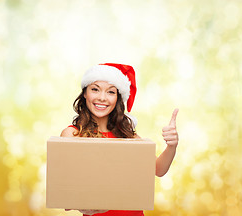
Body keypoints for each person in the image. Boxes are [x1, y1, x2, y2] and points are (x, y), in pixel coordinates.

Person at [60, 63, 179, 216]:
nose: (102, 98)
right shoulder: (72, 135)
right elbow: (65, 188)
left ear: (118, 98)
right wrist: (80, 204)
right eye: (95, 89)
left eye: (110, 92)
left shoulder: (128, 135)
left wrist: (172, 146)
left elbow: (158, 169)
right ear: (84, 93)